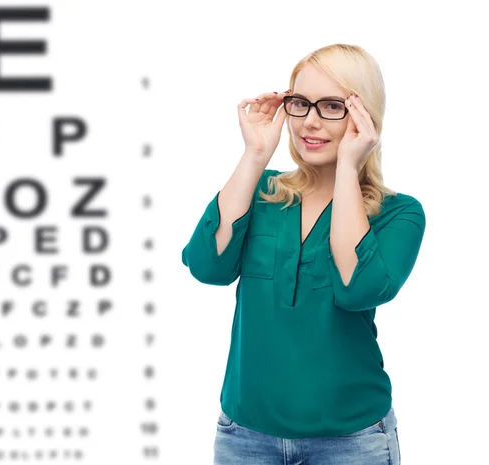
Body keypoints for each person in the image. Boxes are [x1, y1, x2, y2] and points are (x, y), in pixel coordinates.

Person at [181, 43, 425, 464]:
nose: (310, 121)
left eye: (332, 106)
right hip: (245, 437)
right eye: (300, 103)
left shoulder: (399, 213)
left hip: (352, 441)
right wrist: (256, 153)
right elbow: (208, 266)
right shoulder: (261, 190)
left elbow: (356, 289)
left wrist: (349, 167)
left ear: (364, 116)